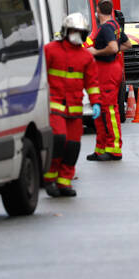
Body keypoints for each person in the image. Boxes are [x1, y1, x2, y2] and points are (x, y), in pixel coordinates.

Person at [44, 13, 101, 197]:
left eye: (79, 32)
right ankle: (50, 179)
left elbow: (92, 83)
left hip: (75, 109)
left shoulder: (86, 57)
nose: (76, 34)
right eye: (73, 31)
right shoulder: (51, 50)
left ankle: (64, 182)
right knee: (59, 140)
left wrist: (96, 103)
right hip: (55, 106)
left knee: (73, 146)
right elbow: (40, 76)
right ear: (66, 31)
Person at [86, 0, 131, 162]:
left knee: (109, 110)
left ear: (97, 10)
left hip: (107, 70)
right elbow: (127, 45)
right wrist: (114, 50)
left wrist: (96, 52)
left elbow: (113, 47)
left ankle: (114, 149)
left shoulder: (105, 28)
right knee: (101, 110)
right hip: (111, 68)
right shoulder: (114, 25)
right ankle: (101, 148)